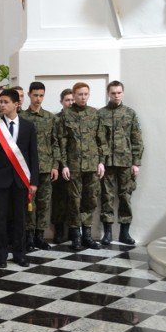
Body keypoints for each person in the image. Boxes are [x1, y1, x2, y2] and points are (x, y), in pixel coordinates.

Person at [0, 89, 39, 268]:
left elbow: (33, 156)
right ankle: (1, 255)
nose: (1, 104)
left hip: (21, 180)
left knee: (20, 218)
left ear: (16, 104)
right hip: (0, 180)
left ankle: (19, 253)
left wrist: (34, 181)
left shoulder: (29, 126)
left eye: (6, 102)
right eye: (0, 101)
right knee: (0, 218)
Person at [58, 82, 106, 251]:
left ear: (89, 95)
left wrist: (101, 162)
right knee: (74, 201)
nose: (83, 97)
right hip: (73, 166)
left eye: (86, 94)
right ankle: (75, 236)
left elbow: (101, 140)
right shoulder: (66, 115)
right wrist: (63, 165)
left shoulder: (94, 114)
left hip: (92, 165)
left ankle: (87, 235)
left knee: (90, 200)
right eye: (79, 94)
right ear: (74, 95)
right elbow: (61, 142)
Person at [98, 81, 143, 245]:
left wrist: (136, 162)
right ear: (108, 94)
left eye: (119, 92)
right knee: (107, 197)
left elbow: (137, 139)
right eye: (113, 93)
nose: (116, 95)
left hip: (126, 162)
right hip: (107, 163)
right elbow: (98, 140)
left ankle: (125, 233)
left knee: (125, 196)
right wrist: (100, 162)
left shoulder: (130, 113)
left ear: (122, 93)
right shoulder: (101, 114)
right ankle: (107, 233)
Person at [19, 82, 60, 251]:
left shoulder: (51, 118)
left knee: (44, 203)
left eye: (41, 95)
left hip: (45, 167)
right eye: (35, 95)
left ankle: (39, 236)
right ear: (29, 95)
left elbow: (55, 142)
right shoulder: (22, 117)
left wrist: (55, 165)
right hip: (26, 168)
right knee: (29, 203)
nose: (38, 98)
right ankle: (28, 236)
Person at [51, 88, 74, 244]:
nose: (70, 102)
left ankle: (74, 230)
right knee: (58, 199)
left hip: (76, 165)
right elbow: (54, 143)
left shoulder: (80, 117)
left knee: (75, 199)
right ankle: (59, 230)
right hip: (59, 165)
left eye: (72, 100)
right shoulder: (55, 119)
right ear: (61, 102)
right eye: (67, 100)